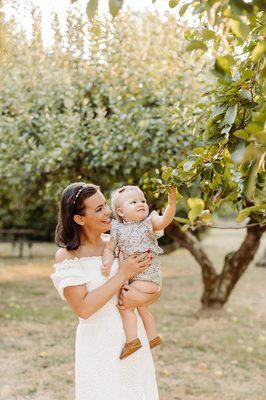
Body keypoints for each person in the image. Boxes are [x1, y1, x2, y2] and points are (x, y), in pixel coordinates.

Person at [50, 182, 161, 400]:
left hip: (133, 339)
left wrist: (143, 296)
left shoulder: (119, 242)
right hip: (99, 343)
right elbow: (84, 308)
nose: (108, 212)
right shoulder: (68, 256)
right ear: (79, 219)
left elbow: (153, 287)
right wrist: (122, 274)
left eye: (105, 205)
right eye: (99, 209)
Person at [102, 185, 176, 359]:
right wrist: (107, 262)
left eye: (143, 200)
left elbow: (165, 220)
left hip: (147, 278)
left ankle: (132, 340)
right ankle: (152, 337)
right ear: (121, 211)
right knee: (142, 308)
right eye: (133, 202)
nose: (141, 204)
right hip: (140, 281)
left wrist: (171, 204)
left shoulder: (148, 223)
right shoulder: (117, 229)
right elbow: (109, 249)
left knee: (124, 305)